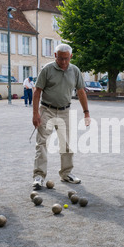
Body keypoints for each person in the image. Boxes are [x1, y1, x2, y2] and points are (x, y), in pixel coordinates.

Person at [32, 43, 90, 190]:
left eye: (66, 59)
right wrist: (35, 113)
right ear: (55, 56)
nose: (63, 62)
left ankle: (66, 173)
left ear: (70, 56)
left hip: (65, 111)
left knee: (67, 144)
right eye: (60, 59)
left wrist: (86, 112)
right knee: (42, 143)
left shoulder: (75, 70)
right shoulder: (47, 70)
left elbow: (81, 92)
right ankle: (39, 176)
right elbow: (37, 92)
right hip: (47, 110)